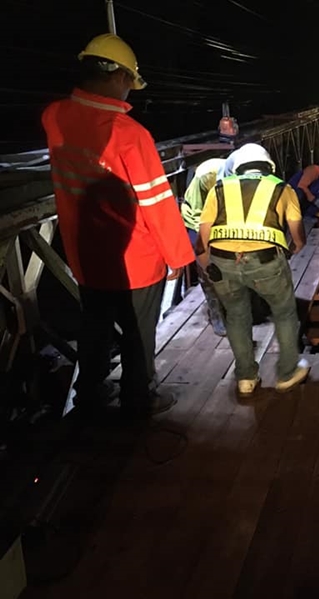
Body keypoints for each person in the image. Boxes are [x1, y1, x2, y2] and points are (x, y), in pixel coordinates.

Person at [41, 33, 194, 416]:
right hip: (135, 261)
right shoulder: (130, 136)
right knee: (138, 334)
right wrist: (178, 256)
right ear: (120, 76)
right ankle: (138, 398)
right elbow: (156, 203)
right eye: (130, 82)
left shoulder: (54, 116)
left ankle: (90, 394)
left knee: (94, 326)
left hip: (85, 255)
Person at [196, 144, 310, 396]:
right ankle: (287, 373)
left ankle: (246, 378)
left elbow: (202, 240)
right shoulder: (282, 188)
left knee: (236, 315)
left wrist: (208, 267)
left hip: (223, 262)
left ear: (237, 167)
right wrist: (290, 250)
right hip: (265, 261)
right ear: (269, 166)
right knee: (284, 312)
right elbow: (298, 237)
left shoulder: (219, 188)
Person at [181, 157, 227, 335]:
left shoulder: (242, 176)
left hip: (223, 218)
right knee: (206, 264)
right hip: (197, 218)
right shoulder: (205, 175)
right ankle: (216, 312)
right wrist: (206, 237)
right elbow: (197, 213)